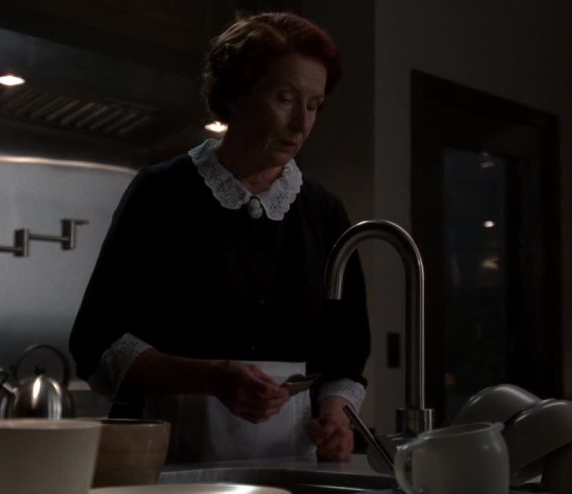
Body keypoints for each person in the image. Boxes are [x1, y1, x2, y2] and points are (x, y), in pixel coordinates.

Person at [69, 11, 370, 463]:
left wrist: (336, 417)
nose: (300, 124)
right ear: (234, 95)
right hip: (169, 463)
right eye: (285, 98)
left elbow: (346, 352)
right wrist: (213, 378)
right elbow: (97, 345)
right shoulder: (162, 192)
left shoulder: (325, 212)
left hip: (289, 465)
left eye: (314, 105)